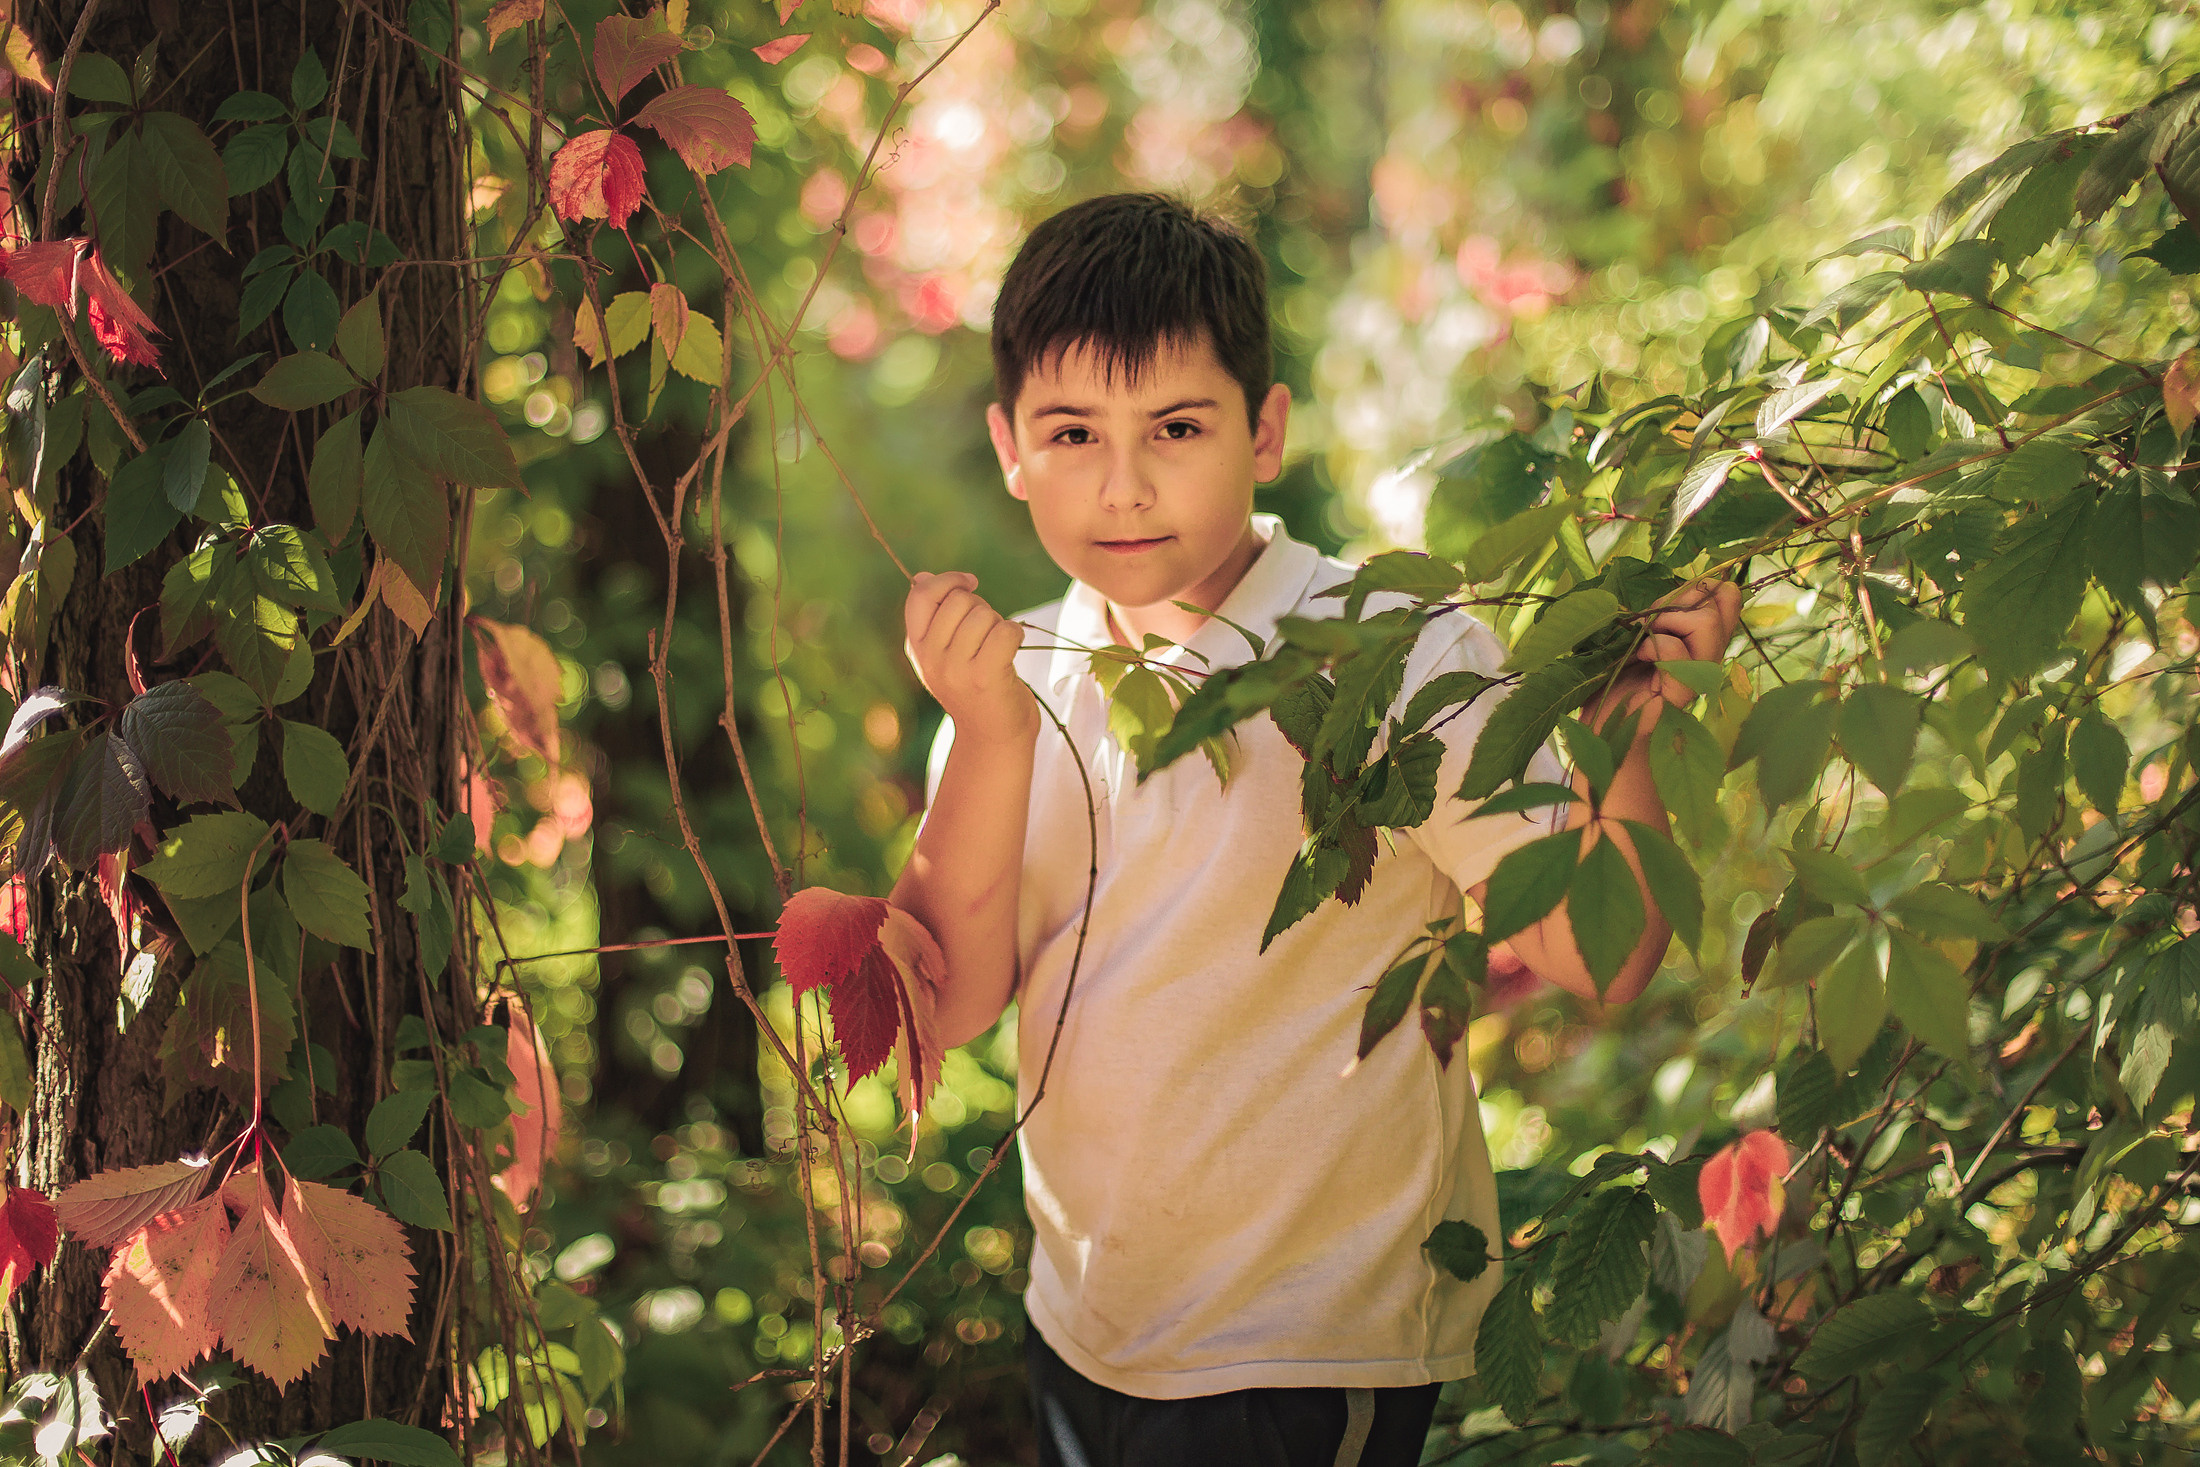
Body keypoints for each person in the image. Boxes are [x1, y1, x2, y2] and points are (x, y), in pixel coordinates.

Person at [888, 193, 1740, 1467]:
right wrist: (994, 738)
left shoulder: (1393, 658)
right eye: (1073, 432)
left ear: (1264, 428)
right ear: (1011, 446)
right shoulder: (1023, 683)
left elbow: (1599, 957)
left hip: (1297, 1344)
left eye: (1177, 426)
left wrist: (1621, 734)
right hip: (1086, 1327)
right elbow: (948, 1007)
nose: (1124, 485)